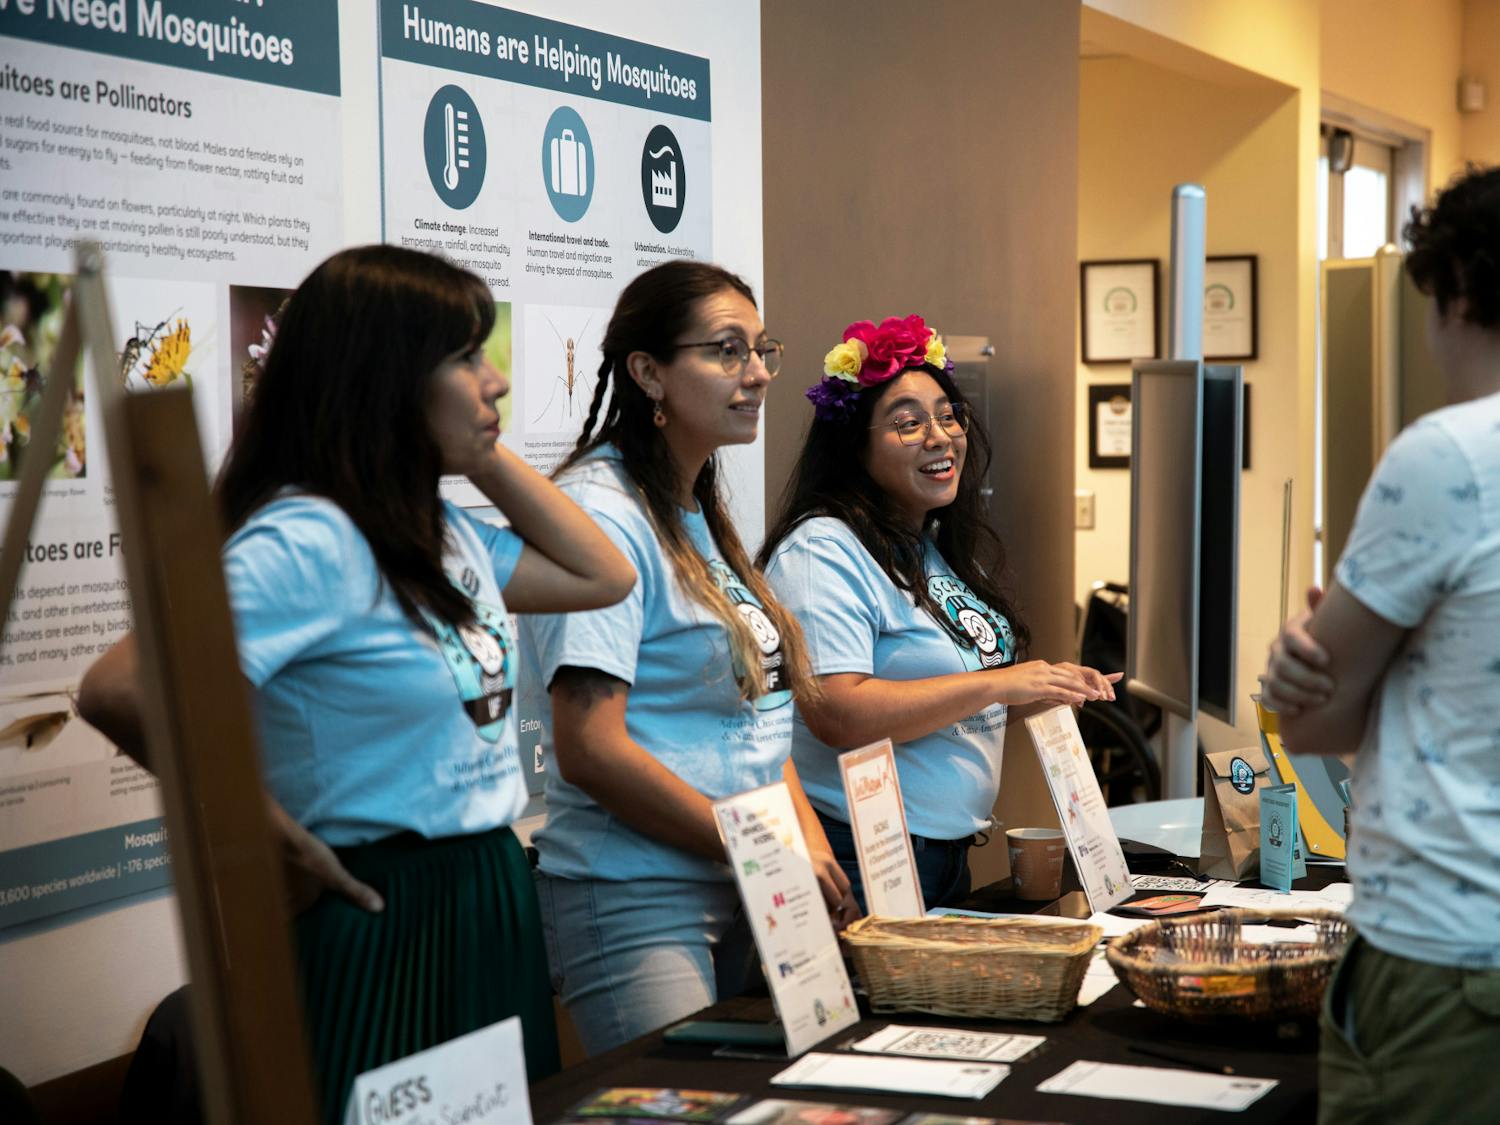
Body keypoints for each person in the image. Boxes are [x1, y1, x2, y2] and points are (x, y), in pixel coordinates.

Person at [78, 245, 635, 1123]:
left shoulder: (431, 525)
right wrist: (264, 833)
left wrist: (480, 453)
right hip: (379, 902)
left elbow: (603, 572)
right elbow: (118, 688)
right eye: (465, 358)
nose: (494, 381)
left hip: (481, 889)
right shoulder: (312, 535)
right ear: (387, 375)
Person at [521, 260, 856, 1056]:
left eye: (762, 349)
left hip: (747, 875)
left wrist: (800, 840)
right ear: (648, 373)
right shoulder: (601, 511)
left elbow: (755, 720)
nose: (760, 373)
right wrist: (759, 845)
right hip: (635, 889)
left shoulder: (696, 506)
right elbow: (590, 749)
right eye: (727, 351)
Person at [1262, 164, 1500, 1125]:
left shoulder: (1450, 456)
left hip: (1449, 955)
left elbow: (1311, 720)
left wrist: (1309, 667)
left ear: (1452, 295)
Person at [758, 315, 1117, 909]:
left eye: (949, 415)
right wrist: (996, 685)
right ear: (854, 446)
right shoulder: (823, 550)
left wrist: (1037, 688)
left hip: (942, 855)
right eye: (908, 423)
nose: (939, 436)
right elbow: (837, 712)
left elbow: (942, 684)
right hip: (861, 852)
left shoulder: (925, 543)